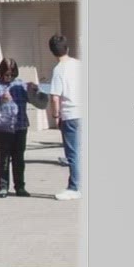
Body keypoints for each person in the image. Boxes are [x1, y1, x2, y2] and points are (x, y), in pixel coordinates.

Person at [44, 34, 83, 200]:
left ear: (52, 52)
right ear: (67, 48)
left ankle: (75, 187)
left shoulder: (59, 70)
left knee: (73, 153)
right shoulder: (79, 65)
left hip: (70, 114)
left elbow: (55, 96)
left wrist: (55, 115)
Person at [0, 57, 32, 199]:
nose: (9, 77)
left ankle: (20, 187)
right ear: (1, 72)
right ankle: (3, 186)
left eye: (11, 74)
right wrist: (1, 99)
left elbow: (34, 99)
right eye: (6, 74)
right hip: (2, 127)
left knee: (19, 158)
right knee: (3, 157)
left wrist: (34, 90)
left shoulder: (20, 84)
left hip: (20, 125)